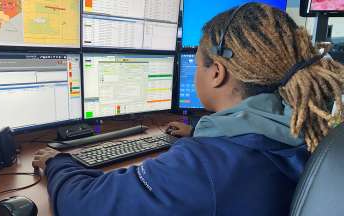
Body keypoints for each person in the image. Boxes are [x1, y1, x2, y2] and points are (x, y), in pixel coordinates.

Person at [33, 3, 344, 216]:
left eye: (197, 62)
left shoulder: (204, 165)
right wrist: (197, 131)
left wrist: (59, 163)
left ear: (217, 73)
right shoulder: (304, 132)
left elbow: (84, 204)